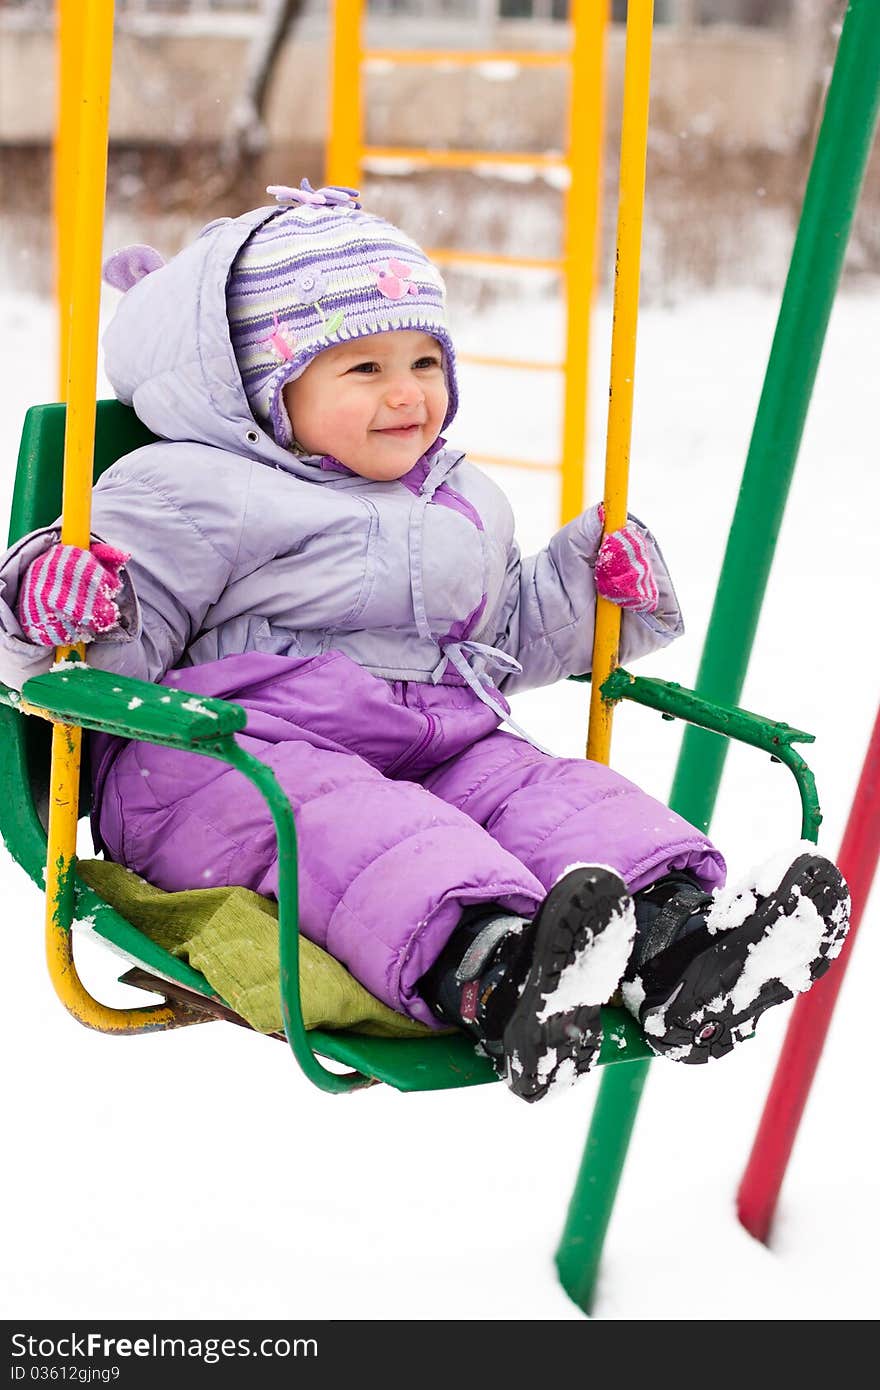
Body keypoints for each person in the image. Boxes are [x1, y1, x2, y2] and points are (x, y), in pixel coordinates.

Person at [0, 181, 850, 1102]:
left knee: (543, 790)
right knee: (359, 826)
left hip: (432, 743)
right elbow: (99, 672)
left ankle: (679, 942)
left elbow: (498, 647)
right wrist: (58, 610)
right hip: (224, 765)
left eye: (424, 361)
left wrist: (583, 593)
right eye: (361, 370)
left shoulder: (454, 498)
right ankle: (501, 972)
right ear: (260, 393)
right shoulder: (185, 489)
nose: (407, 393)